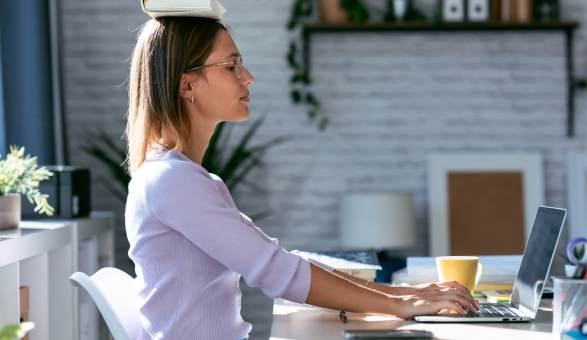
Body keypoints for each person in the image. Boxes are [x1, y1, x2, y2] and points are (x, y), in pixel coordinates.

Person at [124, 16, 478, 340]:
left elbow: (278, 260)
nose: (248, 77)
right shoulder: (173, 182)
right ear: (187, 85)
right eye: (232, 66)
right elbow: (277, 271)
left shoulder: (185, 179)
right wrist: (401, 305)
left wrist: (405, 294)